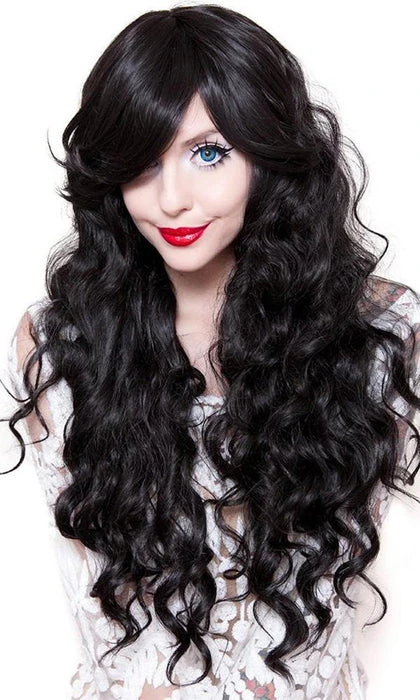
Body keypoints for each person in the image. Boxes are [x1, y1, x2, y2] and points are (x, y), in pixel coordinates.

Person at [2, 3, 420, 698]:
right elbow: (109, 628)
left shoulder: (383, 337)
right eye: (143, 162)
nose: (171, 199)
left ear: (269, 153)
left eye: (208, 153)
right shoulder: (59, 348)